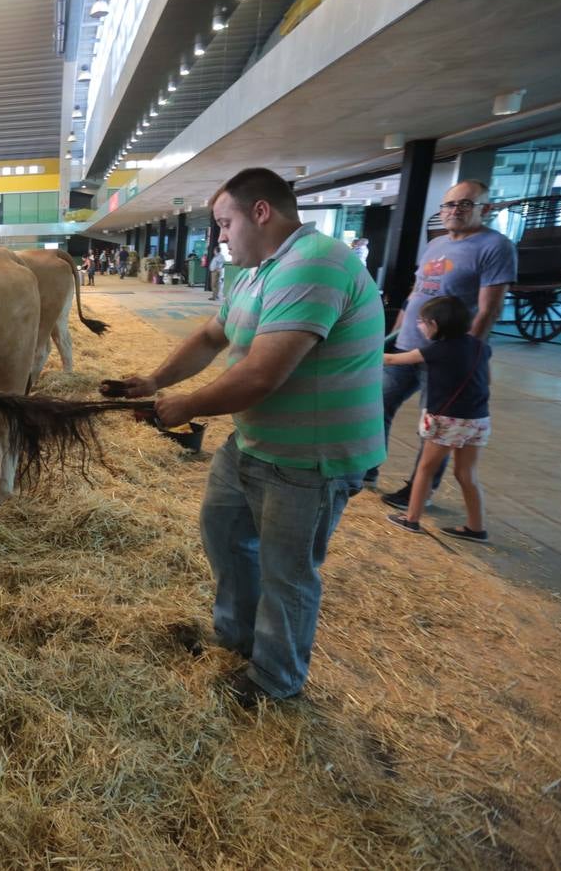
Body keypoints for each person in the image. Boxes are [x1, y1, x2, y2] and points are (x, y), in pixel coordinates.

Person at [100, 168, 384, 707]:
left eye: (225, 224)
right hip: (256, 441)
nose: (220, 238)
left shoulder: (314, 264)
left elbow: (260, 375)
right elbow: (212, 336)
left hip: (311, 457)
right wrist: (157, 381)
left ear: (261, 213)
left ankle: (275, 679)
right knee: (225, 532)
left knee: (288, 573)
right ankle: (236, 638)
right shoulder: (253, 274)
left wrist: (184, 405)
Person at [375, 180, 516, 509]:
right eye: (449, 205)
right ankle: (367, 467)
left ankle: (419, 492)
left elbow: (489, 309)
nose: (454, 211)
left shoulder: (495, 247)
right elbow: (416, 293)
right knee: (376, 405)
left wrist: (466, 355)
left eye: (465, 204)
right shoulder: (436, 245)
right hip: (408, 345)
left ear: (486, 208)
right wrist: (397, 333)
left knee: (437, 427)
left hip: (445, 355)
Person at [384, 296, 491, 541]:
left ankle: (410, 519)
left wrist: (361, 354)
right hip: (478, 419)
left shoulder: (435, 350)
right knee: (467, 474)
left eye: (421, 322)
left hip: (447, 420)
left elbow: (392, 359)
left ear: (434, 324)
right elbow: (488, 380)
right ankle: (477, 527)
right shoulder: (481, 346)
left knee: (426, 469)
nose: (419, 326)